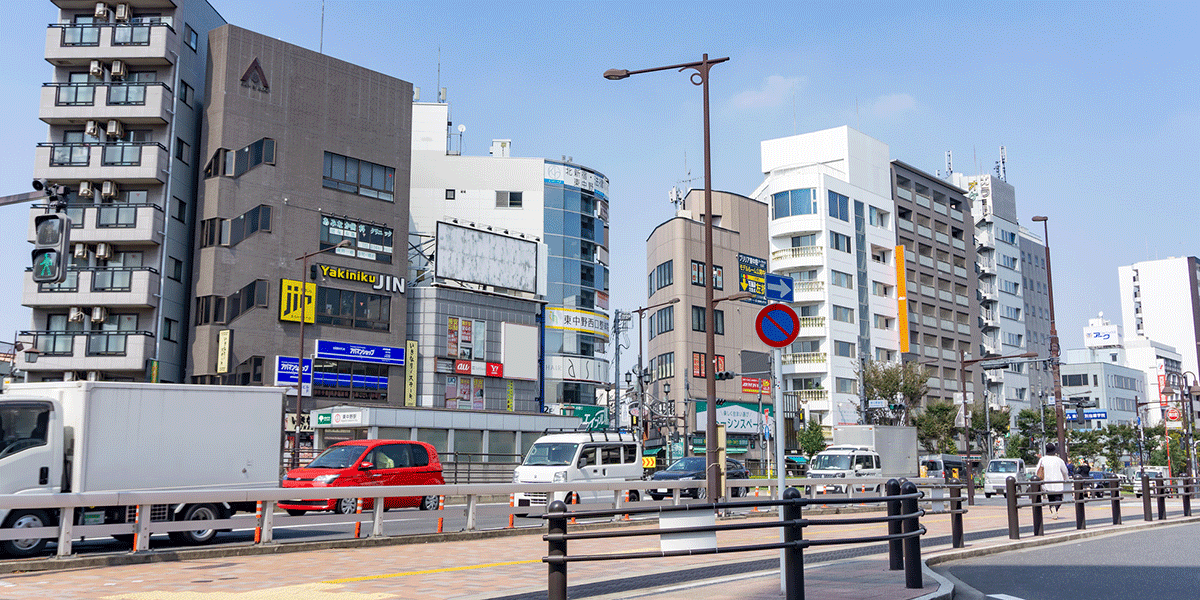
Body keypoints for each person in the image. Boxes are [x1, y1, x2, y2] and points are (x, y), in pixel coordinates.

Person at [1036, 443, 1070, 519]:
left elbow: (1037, 471)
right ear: (1054, 450)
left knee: (1051, 499)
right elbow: (1065, 471)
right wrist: (1066, 479)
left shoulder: (1042, 460)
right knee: (1059, 499)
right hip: (1058, 482)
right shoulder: (1059, 460)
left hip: (1047, 482)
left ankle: (1053, 509)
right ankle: (1055, 508)